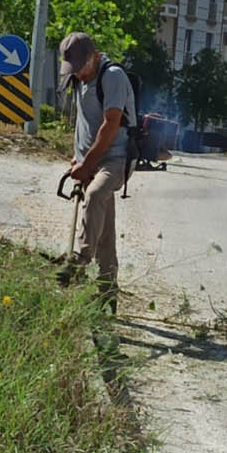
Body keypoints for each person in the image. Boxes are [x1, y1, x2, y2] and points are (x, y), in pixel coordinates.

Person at [57, 32, 135, 310]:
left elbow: (110, 124)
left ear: (94, 56)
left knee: (96, 194)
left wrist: (88, 165)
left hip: (116, 159)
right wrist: (78, 159)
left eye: (80, 67)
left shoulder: (112, 76)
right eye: (72, 70)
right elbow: (84, 124)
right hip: (92, 159)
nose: (77, 74)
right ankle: (107, 289)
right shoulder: (80, 80)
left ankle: (77, 260)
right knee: (104, 226)